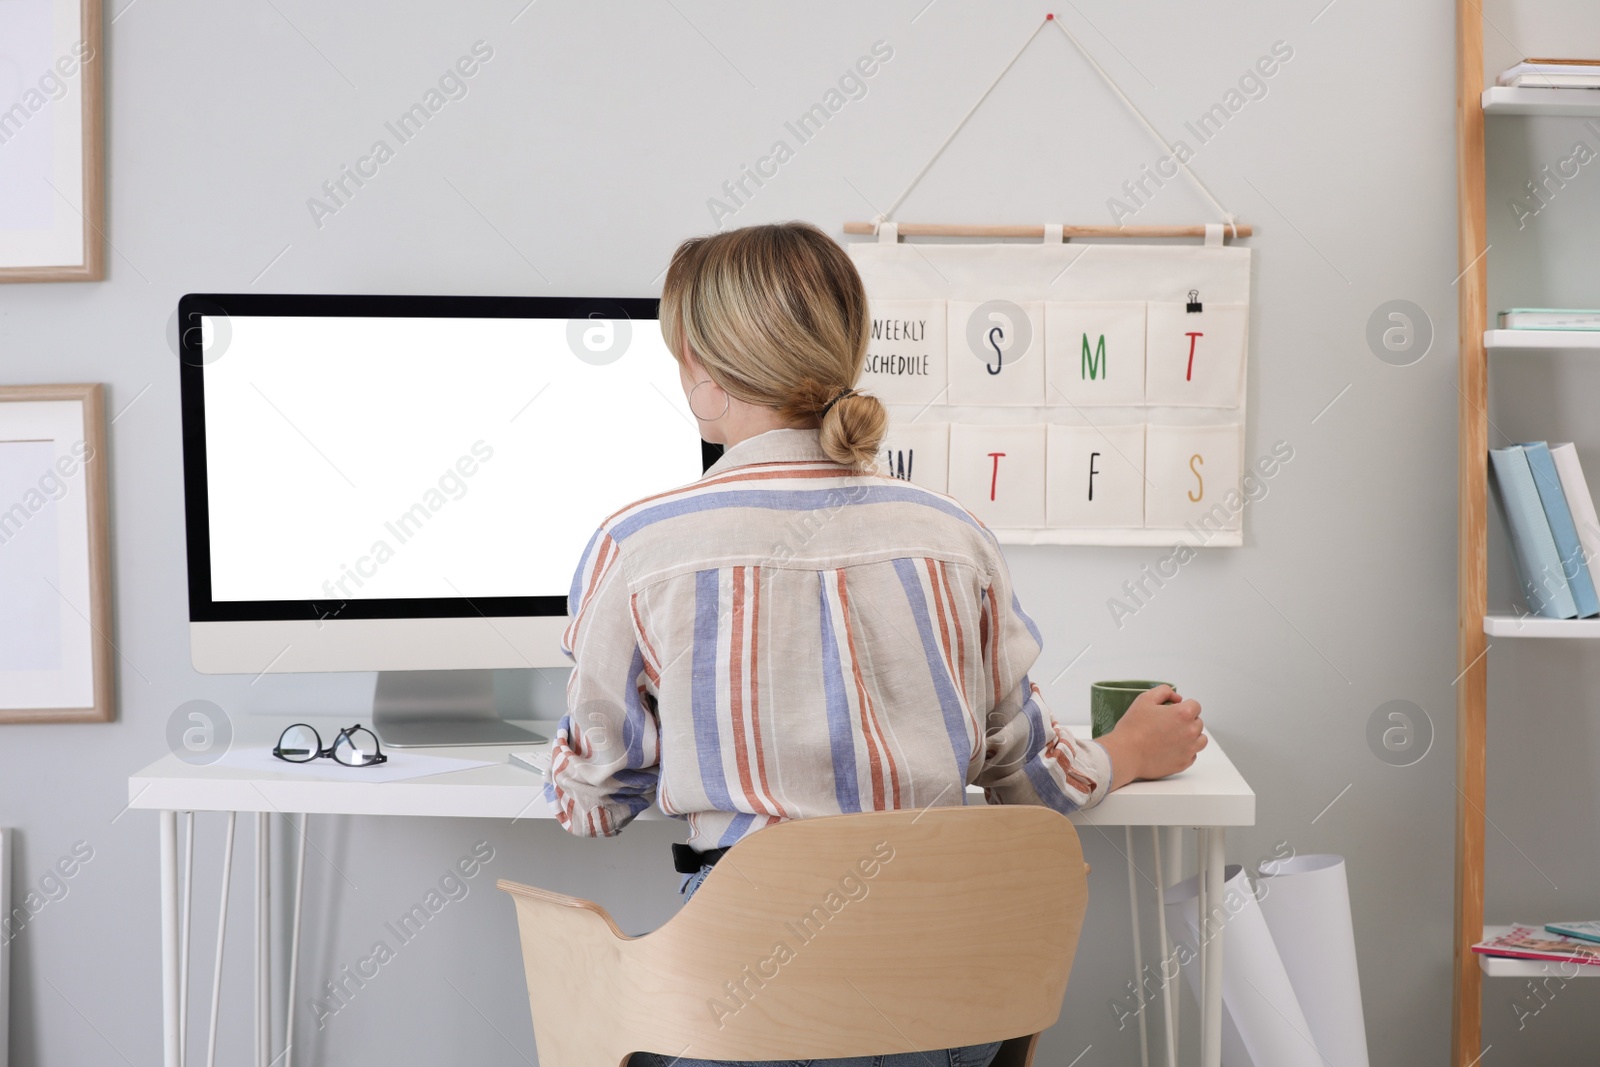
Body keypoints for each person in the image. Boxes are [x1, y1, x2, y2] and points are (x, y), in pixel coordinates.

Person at [545, 221, 1207, 1067]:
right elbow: (1029, 782)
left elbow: (596, 802)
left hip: (755, 1008)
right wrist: (1123, 751)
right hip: (946, 1005)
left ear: (702, 375)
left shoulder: (639, 546)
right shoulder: (951, 534)